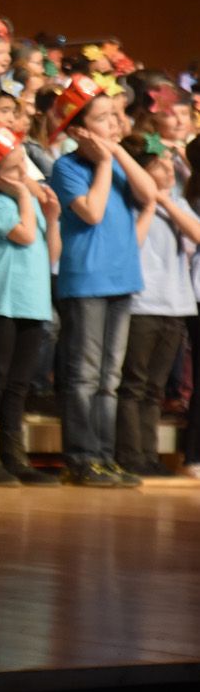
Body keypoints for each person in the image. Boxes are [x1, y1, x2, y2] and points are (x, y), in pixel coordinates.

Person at [49, 75, 157, 487]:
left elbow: (148, 195)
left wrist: (115, 155)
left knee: (110, 378)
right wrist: (104, 163)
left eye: (115, 117)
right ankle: (81, 457)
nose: (113, 124)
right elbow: (91, 212)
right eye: (103, 118)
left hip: (122, 277)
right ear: (79, 129)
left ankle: (104, 455)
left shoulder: (116, 160)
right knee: (85, 374)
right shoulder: (67, 166)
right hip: (87, 280)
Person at [0, 123, 61, 485]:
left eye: (23, 164)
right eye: (13, 169)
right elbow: (21, 235)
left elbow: (50, 252)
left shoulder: (27, 201)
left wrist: (50, 218)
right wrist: (26, 195)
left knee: (18, 383)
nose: (23, 173)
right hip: (0, 300)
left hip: (32, 300)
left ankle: (15, 456)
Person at [117, 135, 200, 477]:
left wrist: (166, 202)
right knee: (134, 384)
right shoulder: (132, 203)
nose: (169, 169)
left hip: (175, 303)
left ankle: (148, 454)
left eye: (169, 164)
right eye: (159, 165)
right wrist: (153, 203)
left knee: (153, 387)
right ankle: (129, 454)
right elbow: (130, 245)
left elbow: (196, 235)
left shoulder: (178, 201)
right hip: (142, 303)